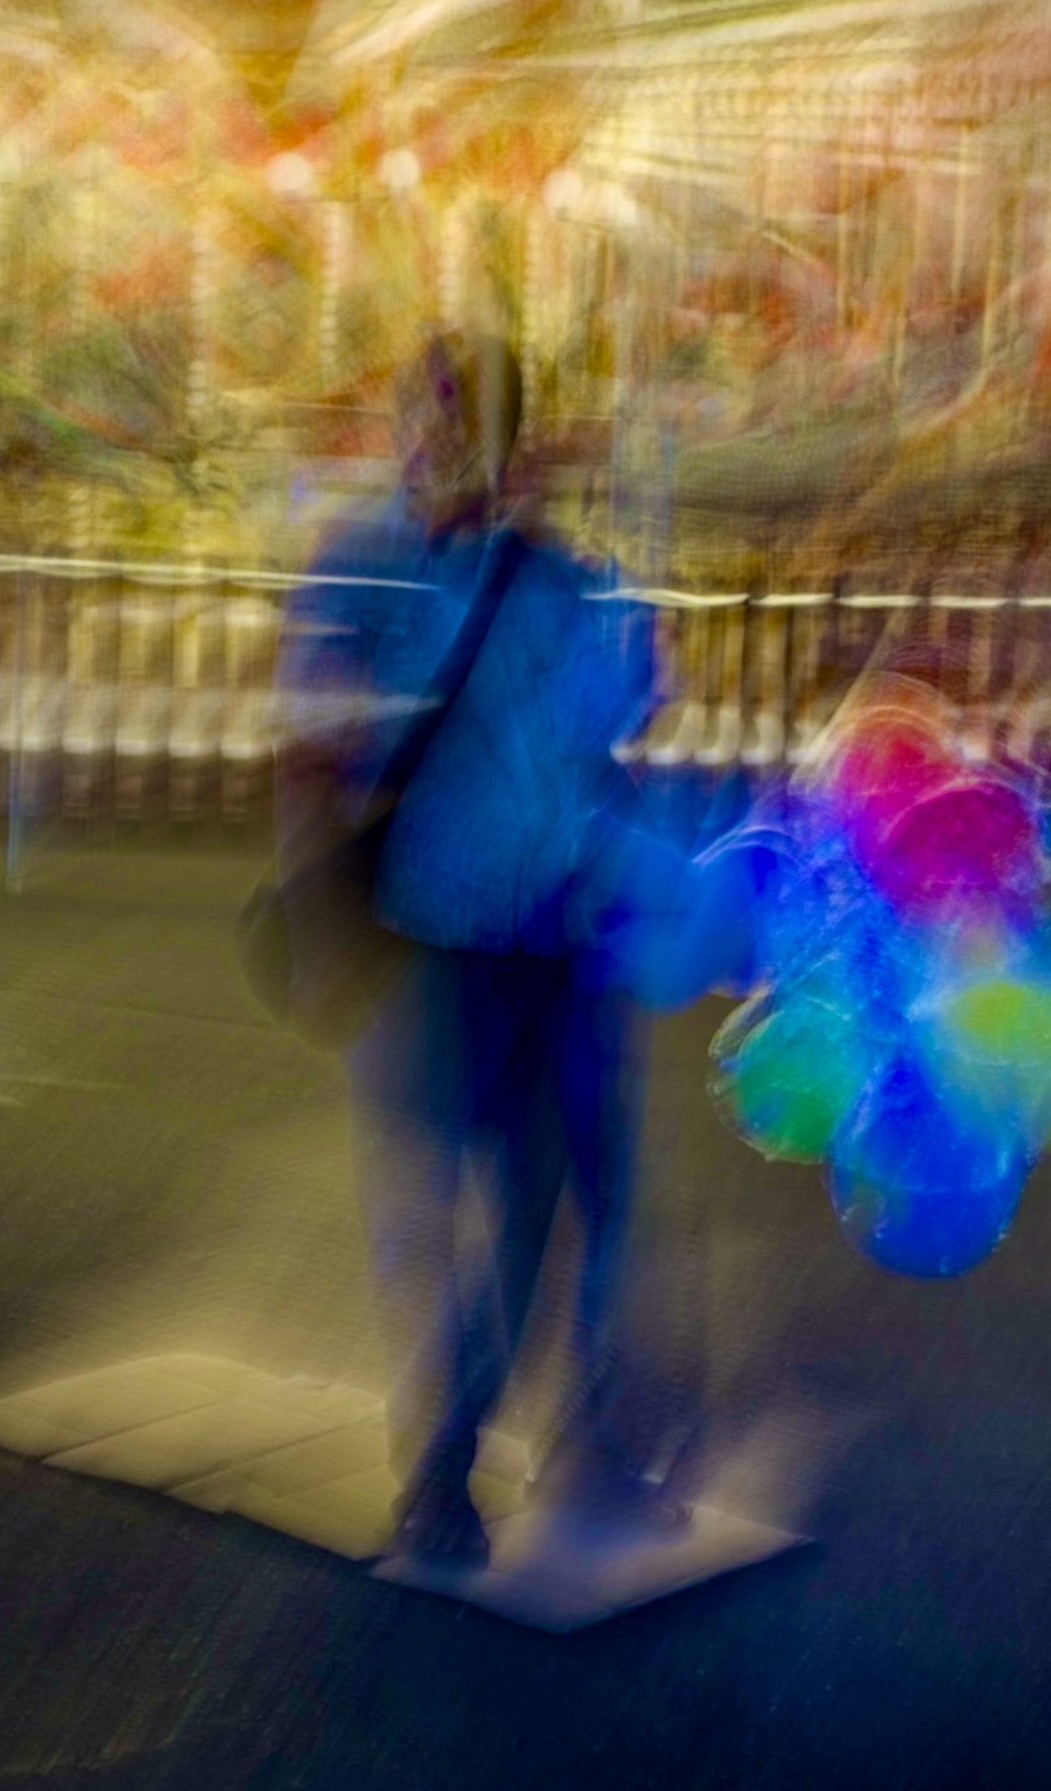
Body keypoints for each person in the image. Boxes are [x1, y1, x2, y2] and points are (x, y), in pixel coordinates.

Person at [276, 330, 680, 1568]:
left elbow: (625, 705)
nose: (447, 444)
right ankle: (446, 1467)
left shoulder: (565, 577)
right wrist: (314, 889)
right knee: (438, 1209)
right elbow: (313, 728)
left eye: (475, 421)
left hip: (559, 934)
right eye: (433, 416)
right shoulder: (367, 562)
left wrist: (577, 569)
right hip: (434, 942)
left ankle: (563, 1433)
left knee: (557, 1200)